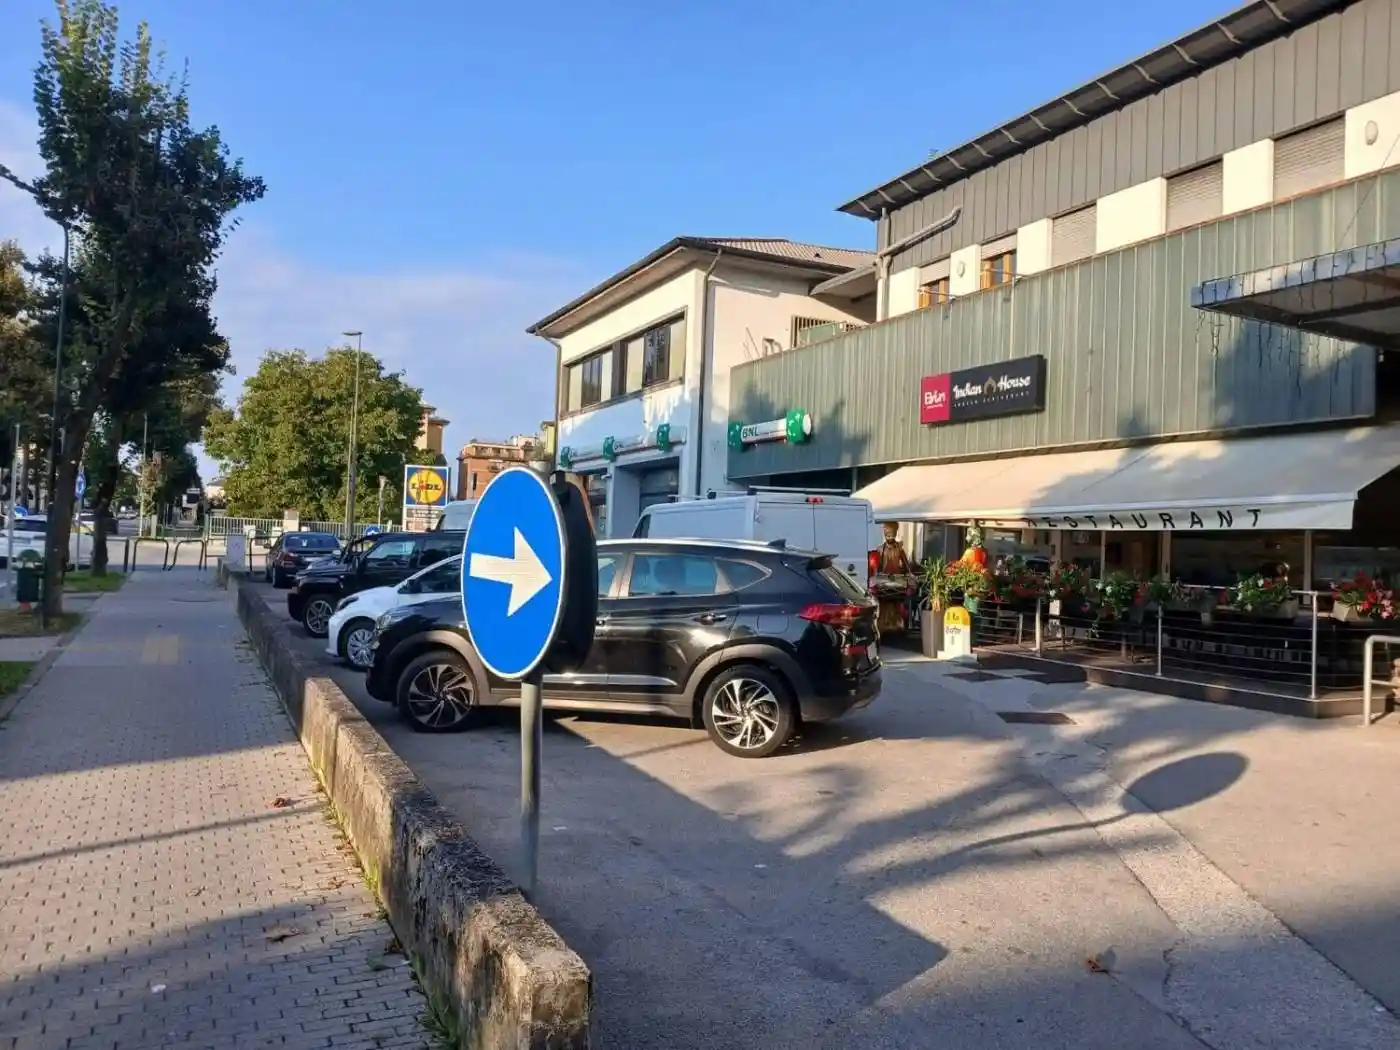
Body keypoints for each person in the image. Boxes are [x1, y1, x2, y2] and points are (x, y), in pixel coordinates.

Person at [872, 522, 912, 634]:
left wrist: (909, 574)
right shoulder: (880, 549)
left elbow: (906, 564)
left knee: (896, 602)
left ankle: (896, 624)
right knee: (884, 603)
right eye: (887, 535)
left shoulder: (899, 549)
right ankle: (884, 624)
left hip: (897, 580)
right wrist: (877, 577)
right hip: (884, 580)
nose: (889, 537)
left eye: (891, 535)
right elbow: (877, 566)